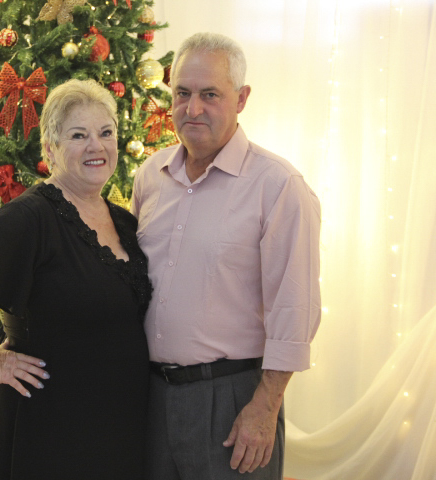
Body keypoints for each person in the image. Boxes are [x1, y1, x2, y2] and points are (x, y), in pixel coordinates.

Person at [0, 78, 152, 480]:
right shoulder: (34, 215)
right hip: (50, 428)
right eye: (78, 136)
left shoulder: (123, 221)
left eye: (106, 133)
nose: (97, 146)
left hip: (115, 427)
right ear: (50, 149)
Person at [131, 32, 321, 480]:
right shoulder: (150, 175)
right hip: (150, 398)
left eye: (210, 95)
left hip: (234, 402)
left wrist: (265, 407)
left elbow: (294, 310)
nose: (192, 108)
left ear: (241, 99)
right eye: (182, 93)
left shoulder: (278, 186)